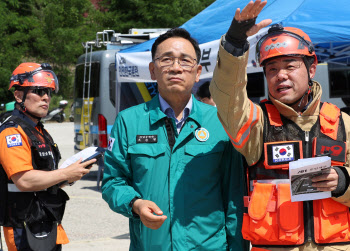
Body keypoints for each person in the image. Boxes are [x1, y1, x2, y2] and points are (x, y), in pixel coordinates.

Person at [210, 0, 350, 250]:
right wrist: (234, 43)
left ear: (312, 68)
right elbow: (227, 96)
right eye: (272, 69)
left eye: (290, 66)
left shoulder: (343, 123)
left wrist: (342, 181)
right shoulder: (255, 123)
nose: (281, 75)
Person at [102, 28, 248, 250]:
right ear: (153, 70)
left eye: (185, 61)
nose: (176, 68)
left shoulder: (220, 122)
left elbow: (234, 194)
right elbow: (113, 181)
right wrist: (135, 203)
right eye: (166, 59)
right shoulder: (128, 121)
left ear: (198, 72)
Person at [0, 62, 96, 251]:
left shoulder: (38, 130)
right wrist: (65, 173)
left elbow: (45, 177)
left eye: (49, 92)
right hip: (24, 226)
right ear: (19, 95)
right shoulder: (12, 132)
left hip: (44, 221)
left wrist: (70, 176)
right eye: (39, 90)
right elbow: (25, 180)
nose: (46, 97)